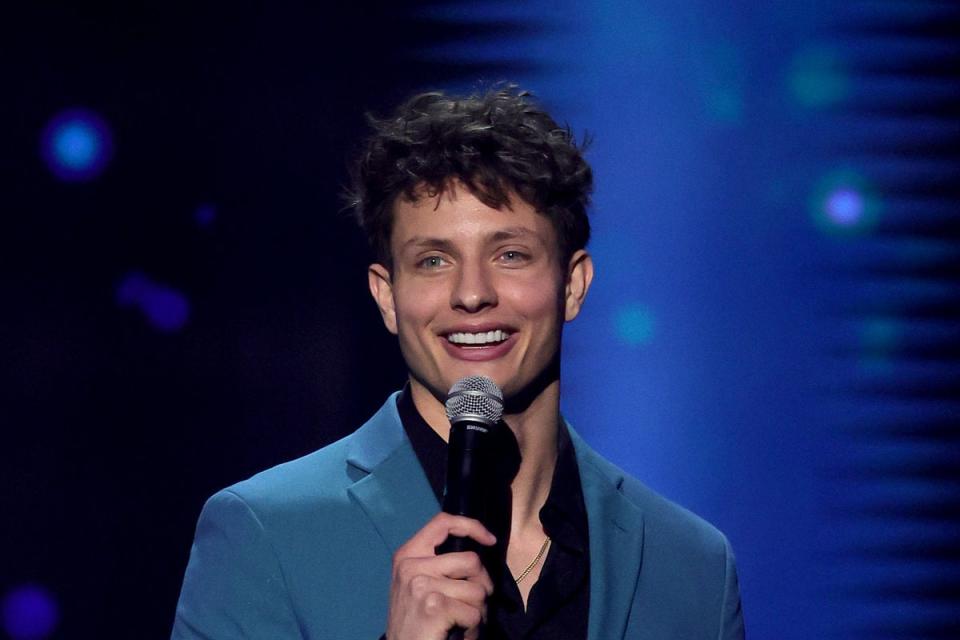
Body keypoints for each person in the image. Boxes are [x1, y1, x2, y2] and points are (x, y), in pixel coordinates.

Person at [172, 86, 745, 640]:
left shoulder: (691, 566)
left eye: (511, 254)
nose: (472, 294)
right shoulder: (267, 535)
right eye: (434, 261)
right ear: (387, 297)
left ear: (572, 285)